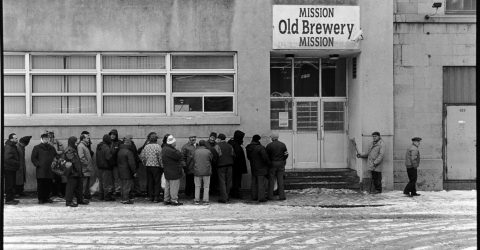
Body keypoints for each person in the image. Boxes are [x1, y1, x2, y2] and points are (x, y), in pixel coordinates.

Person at [31, 133, 57, 204]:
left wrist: (54, 162)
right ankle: (41, 199)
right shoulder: (37, 147)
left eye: (47, 138)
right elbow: (33, 158)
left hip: (50, 169)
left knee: (48, 184)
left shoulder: (51, 147)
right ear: (42, 139)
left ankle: (47, 197)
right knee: (41, 185)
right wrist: (38, 164)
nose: (46, 140)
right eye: (45, 139)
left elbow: (55, 156)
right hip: (41, 170)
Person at [64, 136, 89, 207]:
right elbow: (73, 161)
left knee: (79, 187)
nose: (77, 143)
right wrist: (78, 170)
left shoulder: (74, 149)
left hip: (77, 172)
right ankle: (68, 201)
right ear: (72, 142)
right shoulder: (69, 150)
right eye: (75, 142)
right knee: (70, 188)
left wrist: (80, 171)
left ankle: (80, 200)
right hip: (72, 172)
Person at [246, 135, 271, 203]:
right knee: (261, 183)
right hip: (261, 167)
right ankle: (261, 197)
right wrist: (269, 163)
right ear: (258, 140)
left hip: (253, 167)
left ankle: (254, 196)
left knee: (254, 182)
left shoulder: (248, 147)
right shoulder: (260, 148)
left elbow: (249, 157)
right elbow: (265, 158)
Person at [140, 133, 163, 203]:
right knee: (157, 182)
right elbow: (160, 158)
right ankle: (156, 197)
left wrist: (145, 163)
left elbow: (142, 156)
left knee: (150, 181)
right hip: (156, 167)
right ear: (156, 140)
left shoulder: (146, 147)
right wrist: (162, 166)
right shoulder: (158, 147)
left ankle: (150, 196)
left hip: (148, 166)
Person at [161, 135, 184, 206]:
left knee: (167, 187)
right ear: (172, 143)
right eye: (175, 142)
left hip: (167, 171)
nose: (176, 143)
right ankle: (174, 200)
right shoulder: (172, 150)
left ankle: (166, 199)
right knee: (174, 186)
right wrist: (176, 149)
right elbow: (179, 155)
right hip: (174, 171)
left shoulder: (164, 149)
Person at [266, 132, 288, 201]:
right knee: (280, 180)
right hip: (281, 164)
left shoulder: (269, 145)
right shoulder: (283, 145)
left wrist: (269, 163)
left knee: (271, 180)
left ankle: (270, 196)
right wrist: (283, 160)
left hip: (272, 164)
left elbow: (266, 156)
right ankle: (282, 196)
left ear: (272, 138)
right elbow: (286, 154)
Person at [117, 135, 137, 204]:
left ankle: (123, 199)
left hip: (120, 171)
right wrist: (134, 171)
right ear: (129, 143)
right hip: (127, 172)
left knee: (122, 186)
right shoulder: (129, 152)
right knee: (127, 186)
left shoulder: (120, 150)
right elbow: (132, 163)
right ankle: (126, 199)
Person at [228, 130, 248, 199]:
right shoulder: (236, 145)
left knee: (234, 180)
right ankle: (236, 194)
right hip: (237, 167)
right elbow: (238, 157)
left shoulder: (232, 143)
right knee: (237, 181)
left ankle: (234, 192)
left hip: (234, 166)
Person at [193, 140, 213, 205]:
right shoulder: (208, 151)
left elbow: (193, 159)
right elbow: (211, 159)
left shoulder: (195, 151)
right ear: (205, 145)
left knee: (197, 186)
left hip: (197, 170)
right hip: (206, 171)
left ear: (199, 144)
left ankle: (196, 200)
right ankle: (205, 200)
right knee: (206, 186)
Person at [96, 134, 115, 201]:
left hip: (100, 167)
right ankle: (107, 197)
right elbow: (108, 157)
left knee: (101, 183)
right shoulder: (106, 147)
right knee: (106, 183)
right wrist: (113, 164)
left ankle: (101, 196)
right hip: (106, 167)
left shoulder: (99, 146)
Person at [47, 130, 66, 199]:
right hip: (49, 163)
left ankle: (58, 192)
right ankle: (51, 192)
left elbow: (62, 150)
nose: (50, 135)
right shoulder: (45, 142)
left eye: (51, 134)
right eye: (48, 134)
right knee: (50, 178)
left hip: (57, 162)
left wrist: (56, 152)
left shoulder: (57, 142)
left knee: (58, 178)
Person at [216, 133, 235, 203]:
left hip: (221, 166)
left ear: (219, 139)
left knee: (222, 182)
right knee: (229, 181)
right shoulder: (230, 146)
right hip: (230, 165)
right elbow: (233, 155)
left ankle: (224, 198)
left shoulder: (217, 146)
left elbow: (216, 156)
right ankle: (227, 195)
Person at [4, 133, 20, 205]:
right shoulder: (9, 147)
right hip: (9, 169)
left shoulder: (12, 146)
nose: (17, 139)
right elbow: (7, 159)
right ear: (11, 139)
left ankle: (11, 199)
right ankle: (8, 200)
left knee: (12, 184)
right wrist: (16, 162)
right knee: (9, 184)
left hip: (12, 168)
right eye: (15, 138)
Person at [78, 133, 94, 200]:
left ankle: (86, 196)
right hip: (85, 168)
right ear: (83, 139)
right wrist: (87, 164)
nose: (88, 139)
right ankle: (82, 197)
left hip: (87, 168)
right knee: (84, 184)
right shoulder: (81, 146)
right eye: (87, 138)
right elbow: (81, 157)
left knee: (87, 183)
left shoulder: (85, 146)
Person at [109, 129, 122, 196]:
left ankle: (117, 190)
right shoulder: (108, 142)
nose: (112, 136)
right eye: (111, 134)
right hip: (109, 163)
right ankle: (111, 189)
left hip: (116, 163)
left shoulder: (119, 142)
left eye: (114, 135)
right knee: (110, 177)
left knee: (117, 177)